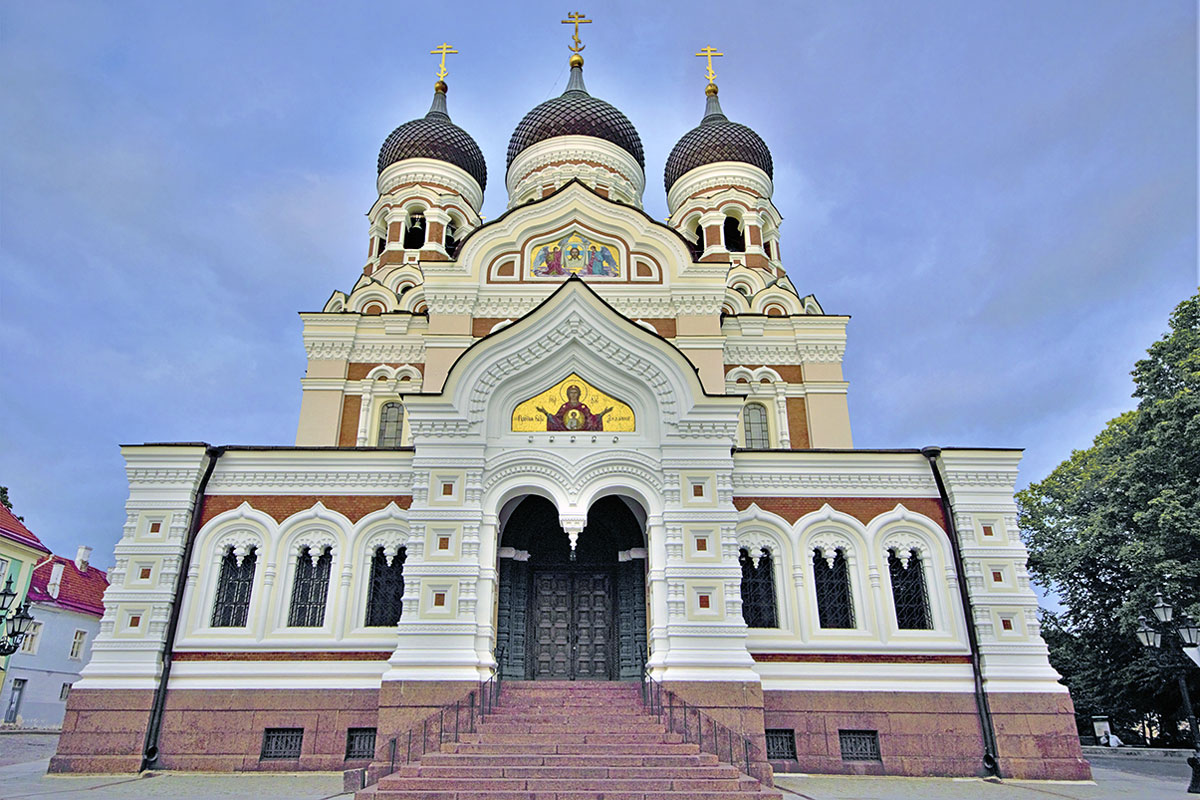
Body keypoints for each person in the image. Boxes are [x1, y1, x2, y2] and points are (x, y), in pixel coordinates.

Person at [537, 385, 611, 431]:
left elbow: (591, 420)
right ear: (568, 394)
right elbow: (557, 421)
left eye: (575, 392)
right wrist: (545, 413)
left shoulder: (583, 407)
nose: (573, 395)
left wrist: (603, 413)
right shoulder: (564, 407)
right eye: (571, 392)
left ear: (579, 394)